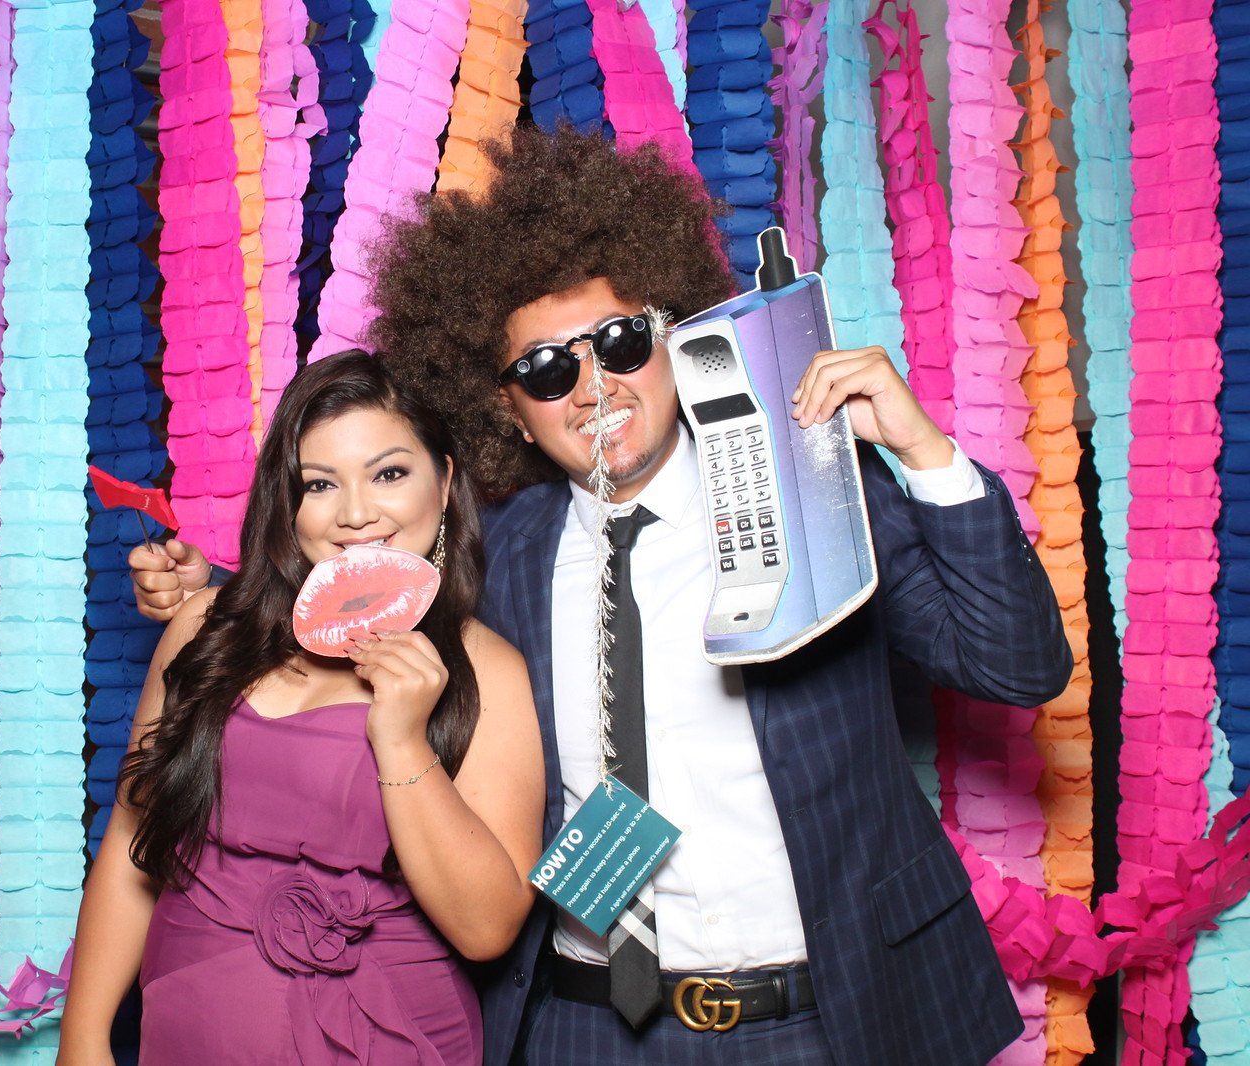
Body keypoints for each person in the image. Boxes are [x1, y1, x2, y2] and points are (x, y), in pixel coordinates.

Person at [130, 127, 1073, 1065]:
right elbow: (356, 581)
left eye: (620, 342)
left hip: (822, 1017)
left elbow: (1017, 665)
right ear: (508, 407)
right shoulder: (500, 551)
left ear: (674, 337)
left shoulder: (811, 487)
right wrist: (207, 593)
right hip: (586, 1024)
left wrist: (923, 455)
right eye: (546, 367)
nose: (593, 386)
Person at [61, 352, 544, 1065]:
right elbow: (135, 842)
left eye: (389, 473)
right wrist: (84, 1036)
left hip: (387, 1037)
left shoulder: (485, 669)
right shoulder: (205, 629)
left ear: (443, 483)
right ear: (288, 504)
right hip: (186, 1026)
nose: (354, 513)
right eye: (319, 483)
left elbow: (487, 929)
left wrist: (404, 741)